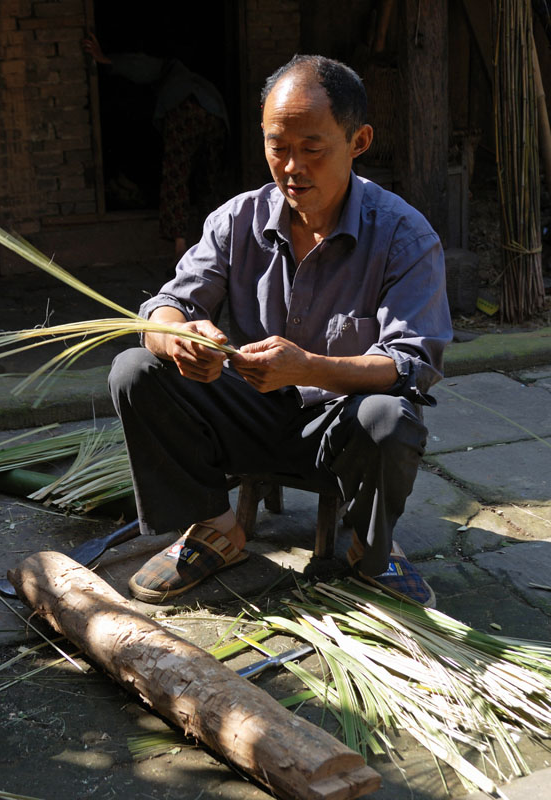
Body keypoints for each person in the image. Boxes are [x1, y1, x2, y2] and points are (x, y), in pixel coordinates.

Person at [109, 54, 453, 607]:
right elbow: (165, 305)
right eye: (277, 146)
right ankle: (216, 527)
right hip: (247, 412)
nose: (291, 167)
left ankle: (371, 547)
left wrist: (311, 367)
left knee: (393, 416)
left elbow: (413, 364)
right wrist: (178, 338)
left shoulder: (404, 237)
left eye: (311, 149)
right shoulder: (236, 219)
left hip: (339, 426)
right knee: (136, 369)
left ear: (358, 141)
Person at [83, 34, 229, 261]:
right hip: (217, 115)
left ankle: (180, 250)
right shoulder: (196, 77)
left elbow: (137, 65)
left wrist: (104, 59)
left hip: (187, 110)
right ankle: (218, 248)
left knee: (176, 175)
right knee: (209, 180)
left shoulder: (169, 68)